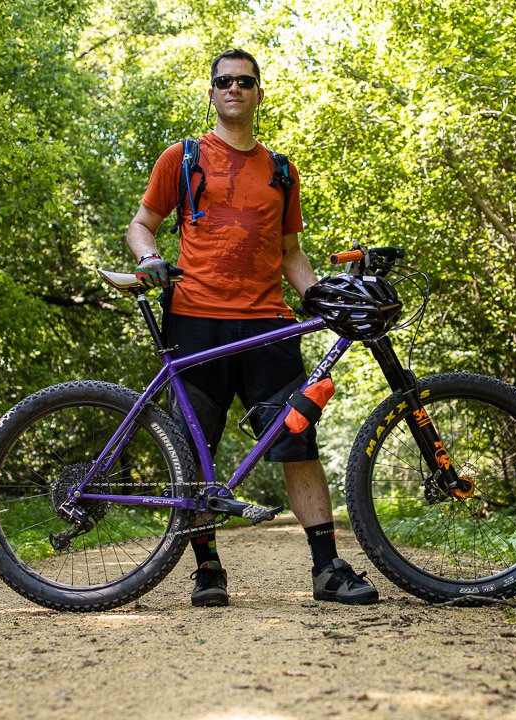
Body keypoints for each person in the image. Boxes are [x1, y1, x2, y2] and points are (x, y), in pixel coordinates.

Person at [125, 48, 378, 608]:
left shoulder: (281, 170)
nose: (234, 88)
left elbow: (291, 252)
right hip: (194, 319)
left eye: (245, 81)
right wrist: (148, 259)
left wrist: (321, 298)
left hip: (269, 323)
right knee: (195, 449)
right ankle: (207, 568)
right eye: (224, 82)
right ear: (211, 93)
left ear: (260, 93)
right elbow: (143, 225)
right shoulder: (182, 157)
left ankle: (326, 568)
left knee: (297, 439)